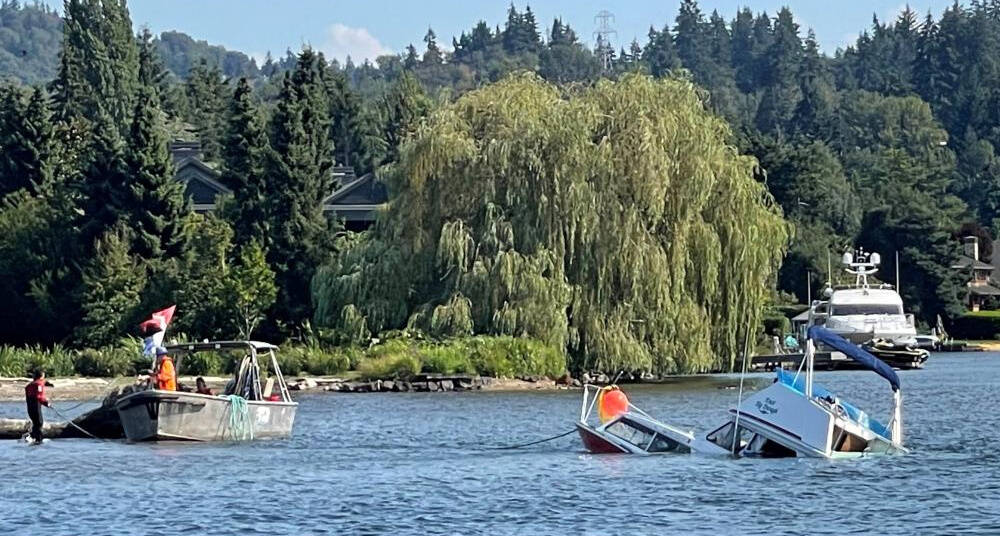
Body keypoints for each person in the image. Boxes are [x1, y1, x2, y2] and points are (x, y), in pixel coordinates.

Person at [24, 369, 50, 444]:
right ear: (41, 376)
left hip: (29, 406)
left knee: (36, 423)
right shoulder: (39, 384)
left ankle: (31, 437)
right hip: (36, 405)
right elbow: (39, 397)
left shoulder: (29, 385)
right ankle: (39, 440)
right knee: (39, 423)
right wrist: (46, 403)